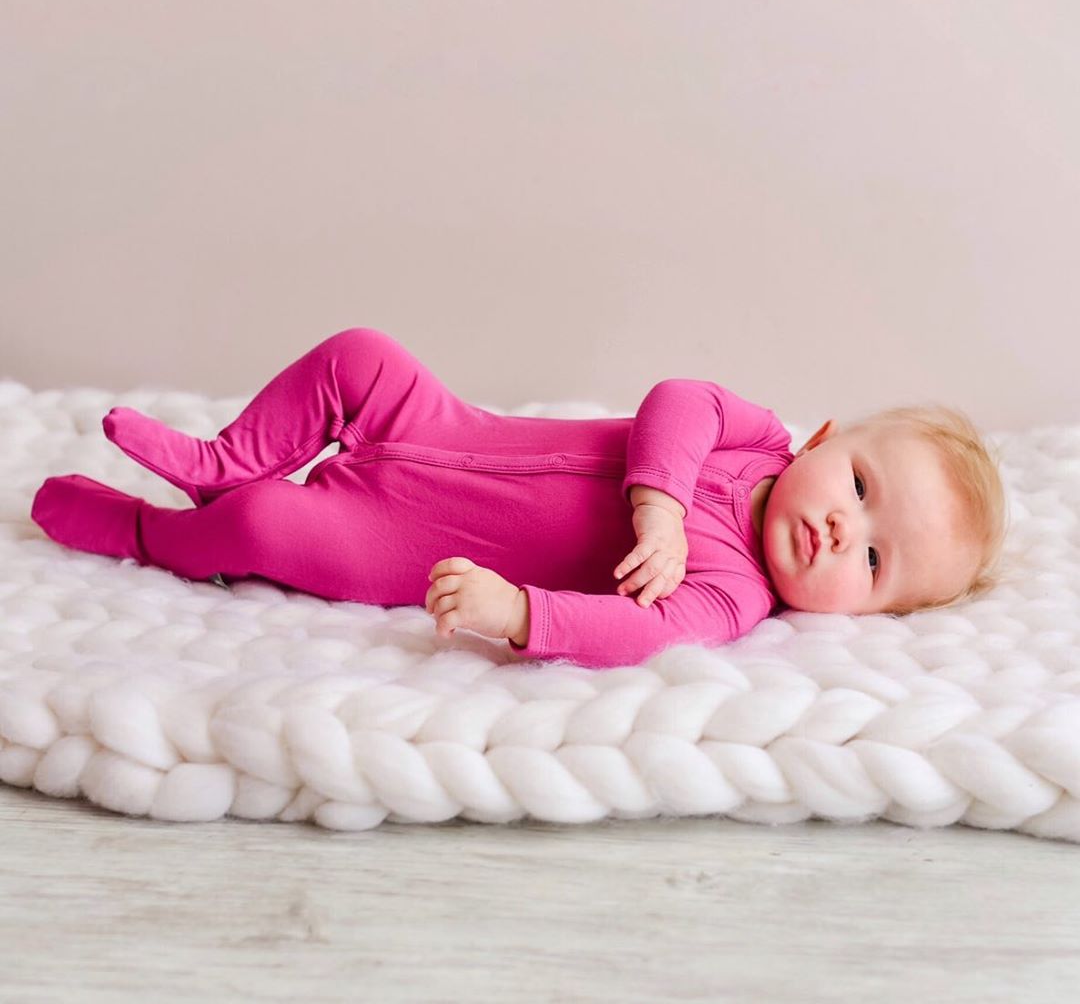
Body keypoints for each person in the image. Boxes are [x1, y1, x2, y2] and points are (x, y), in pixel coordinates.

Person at [29, 327, 1008, 668]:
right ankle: (224, 456)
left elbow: (636, 636)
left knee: (265, 527)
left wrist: (518, 613)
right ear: (826, 439)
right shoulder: (751, 438)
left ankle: (146, 532)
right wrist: (658, 502)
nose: (845, 529)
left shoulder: (730, 593)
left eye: (875, 562)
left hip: (391, 538)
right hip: (444, 430)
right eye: (864, 487)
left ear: (871, 611)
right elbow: (679, 398)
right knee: (360, 355)